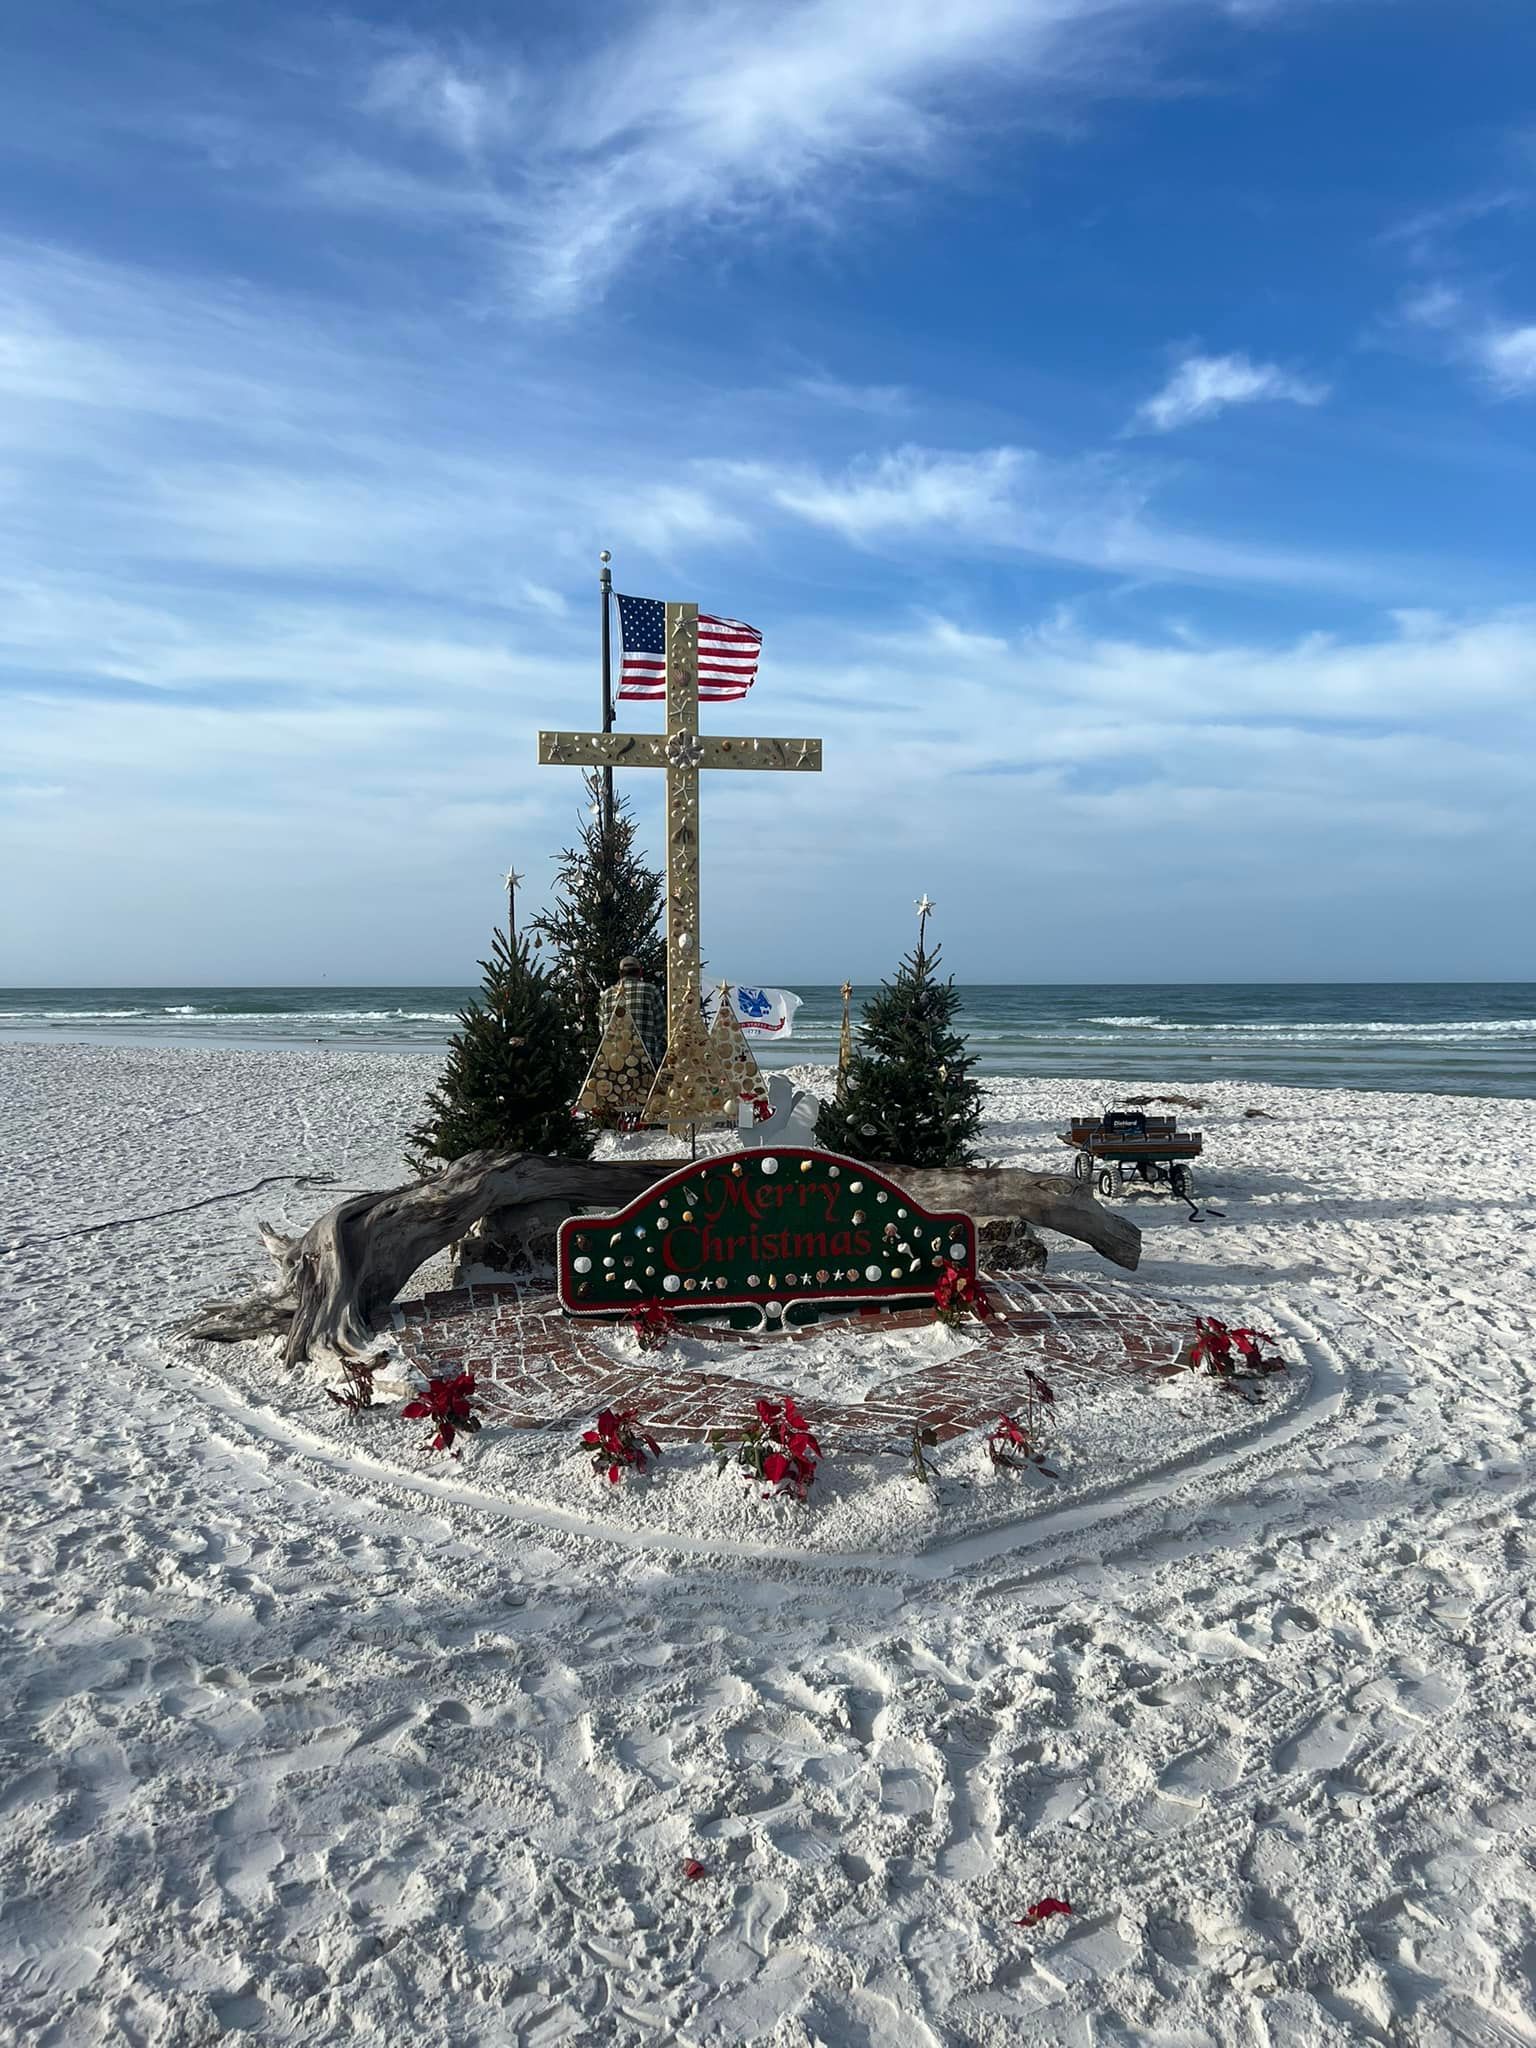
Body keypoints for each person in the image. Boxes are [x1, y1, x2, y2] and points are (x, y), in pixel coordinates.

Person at [600, 956, 666, 1067]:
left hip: (614, 1064)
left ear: (620, 973)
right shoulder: (650, 991)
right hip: (646, 1062)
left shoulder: (607, 995)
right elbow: (662, 1027)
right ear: (640, 972)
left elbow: (603, 1031)